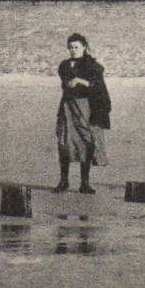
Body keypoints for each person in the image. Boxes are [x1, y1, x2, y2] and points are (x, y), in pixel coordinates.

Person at [54, 34, 110, 194]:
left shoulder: (92, 65)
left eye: (76, 47)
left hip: (85, 107)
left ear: (84, 47)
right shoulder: (64, 65)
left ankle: (84, 183)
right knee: (64, 142)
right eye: (70, 47)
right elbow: (65, 82)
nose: (73, 50)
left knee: (86, 141)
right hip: (67, 106)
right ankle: (64, 181)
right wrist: (72, 82)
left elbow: (97, 86)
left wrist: (81, 81)